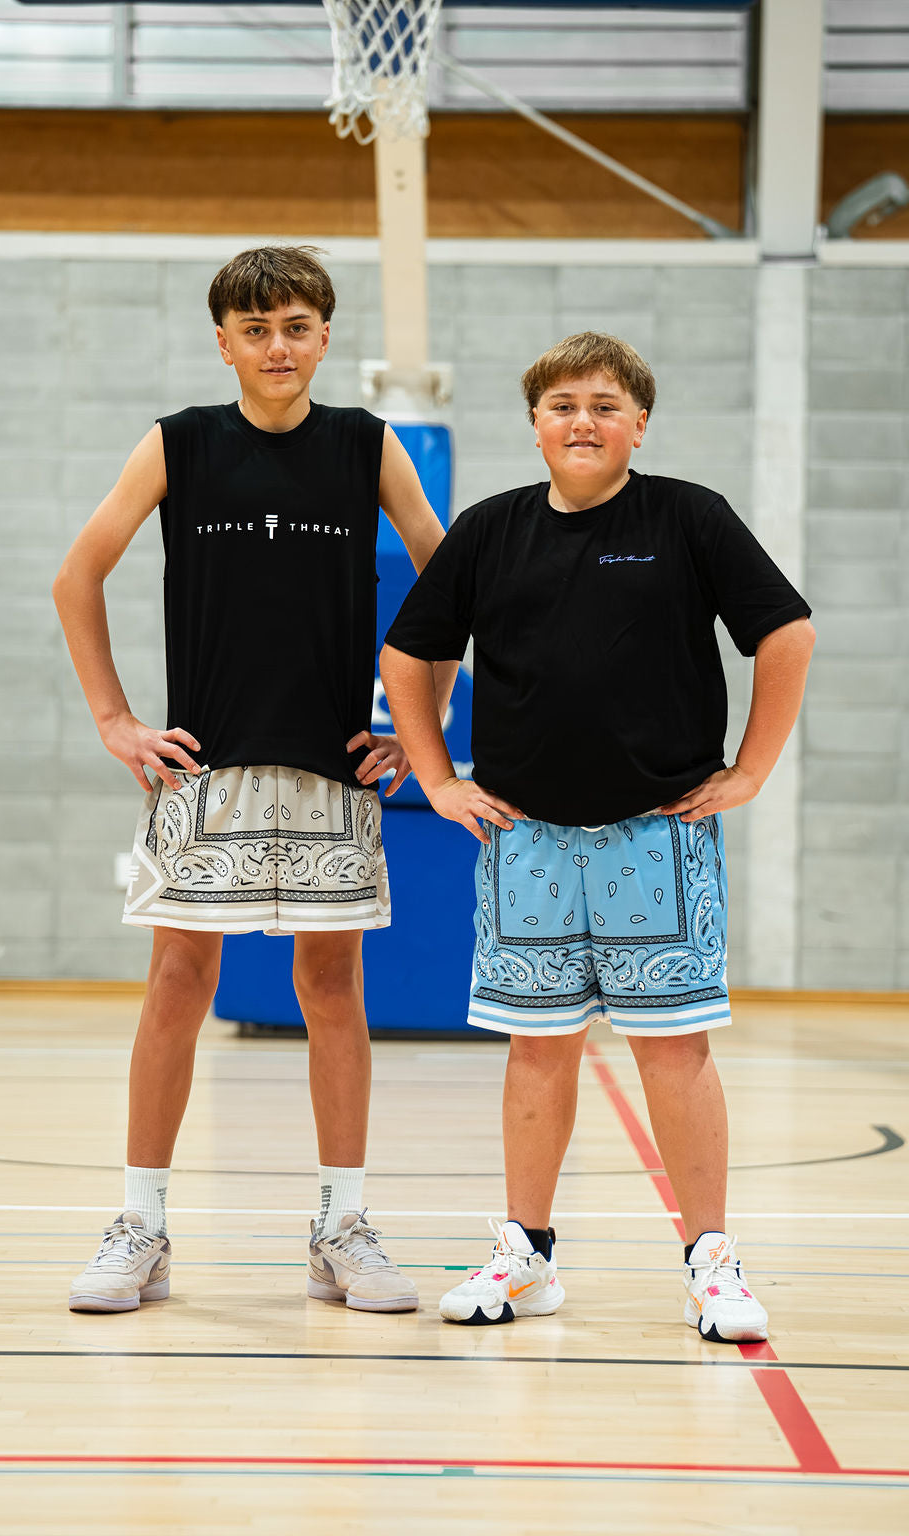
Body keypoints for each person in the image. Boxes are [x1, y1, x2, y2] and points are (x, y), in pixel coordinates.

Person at [380, 331, 814, 1342]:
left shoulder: (688, 517)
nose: (584, 419)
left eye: (605, 404)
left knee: (673, 1052)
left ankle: (710, 1260)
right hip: (525, 840)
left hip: (654, 837)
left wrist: (750, 770)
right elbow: (409, 655)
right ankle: (525, 1256)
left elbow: (784, 634)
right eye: (563, 403)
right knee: (538, 1053)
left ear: (638, 424)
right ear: (534, 424)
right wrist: (436, 777)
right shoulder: (489, 532)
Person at [53, 244, 454, 1315]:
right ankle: (140, 1223)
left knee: (333, 993)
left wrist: (422, 725)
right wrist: (113, 718)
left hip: (332, 770)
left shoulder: (365, 447)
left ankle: (341, 1227)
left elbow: (445, 575)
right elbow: (76, 572)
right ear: (223, 340)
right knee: (177, 988)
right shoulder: (178, 444)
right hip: (204, 770)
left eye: (297, 327)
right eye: (256, 328)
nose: (278, 345)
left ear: (325, 337)